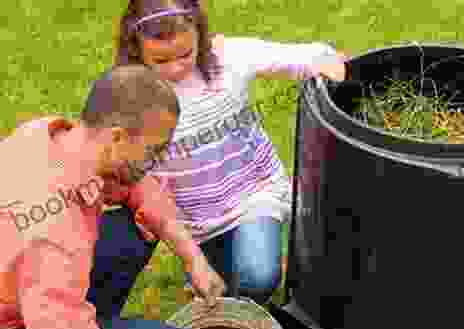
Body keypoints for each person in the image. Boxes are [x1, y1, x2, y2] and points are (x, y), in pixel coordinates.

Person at [0, 64, 247, 329]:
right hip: (11, 325)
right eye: (154, 151)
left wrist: (192, 255)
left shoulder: (53, 137)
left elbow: (140, 185)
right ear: (116, 137)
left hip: (20, 283)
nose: (158, 163)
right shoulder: (54, 239)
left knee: (137, 230)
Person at [114, 0, 350, 305]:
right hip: (192, 216)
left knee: (256, 278)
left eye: (186, 54)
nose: (176, 68)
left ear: (200, 34)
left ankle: (246, 296)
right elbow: (119, 155)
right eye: (161, 60)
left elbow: (289, 56)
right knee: (220, 278)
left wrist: (324, 60)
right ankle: (221, 275)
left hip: (251, 193)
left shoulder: (227, 57)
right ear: (136, 50)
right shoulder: (130, 92)